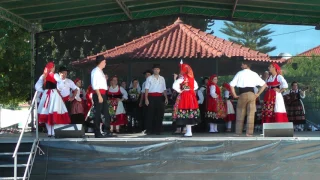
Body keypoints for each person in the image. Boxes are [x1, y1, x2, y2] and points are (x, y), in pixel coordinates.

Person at [229, 61, 267, 137]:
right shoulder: (254, 73)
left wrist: (235, 95)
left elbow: (231, 85)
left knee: (240, 112)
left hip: (243, 93)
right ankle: (249, 133)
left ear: (246, 65)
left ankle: (238, 132)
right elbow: (264, 85)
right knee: (251, 114)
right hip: (252, 94)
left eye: (242, 64)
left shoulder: (239, 73)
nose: (241, 65)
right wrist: (258, 94)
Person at [37, 62, 71, 137]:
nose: (54, 68)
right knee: (54, 111)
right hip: (53, 94)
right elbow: (61, 83)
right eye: (54, 67)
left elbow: (37, 86)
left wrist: (43, 91)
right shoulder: (55, 75)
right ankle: (53, 132)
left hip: (46, 95)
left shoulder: (43, 76)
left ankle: (50, 132)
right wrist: (59, 89)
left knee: (46, 112)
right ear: (52, 68)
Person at [172, 60, 200, 137]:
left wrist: (180, 91)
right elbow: (196, 86)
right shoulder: (192, 78)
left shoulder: (182, 78)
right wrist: (191, 89)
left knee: (185, 111)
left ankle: (188, 131)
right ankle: (188, 131)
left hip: (184, 96)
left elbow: (174, 85)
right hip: (191, 96)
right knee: (189, 111)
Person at [91, 55, 114, 138]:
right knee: (98, 113)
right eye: (104, 62)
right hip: (98, 94)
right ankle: (97, 132)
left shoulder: (100, 71)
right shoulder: (95, 71)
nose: (105, 63)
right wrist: (99, 95)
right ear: (101, 62)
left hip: (103, 93)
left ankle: (107, 130)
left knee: (106, 113)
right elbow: (95, 84)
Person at [145, 64, 168, 135]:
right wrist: (146, 98)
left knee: (160, 113)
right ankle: (150, 130)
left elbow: (164, 89)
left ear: (159, 70)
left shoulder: (162, 78)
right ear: (153, 70)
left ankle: (158, 130)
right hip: (151, 97)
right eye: (155, 69)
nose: (156, 70)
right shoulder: (149, 78)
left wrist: (166, 98)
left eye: (157, 69)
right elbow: (146, 89)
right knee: (151, 113)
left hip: (160, 97)